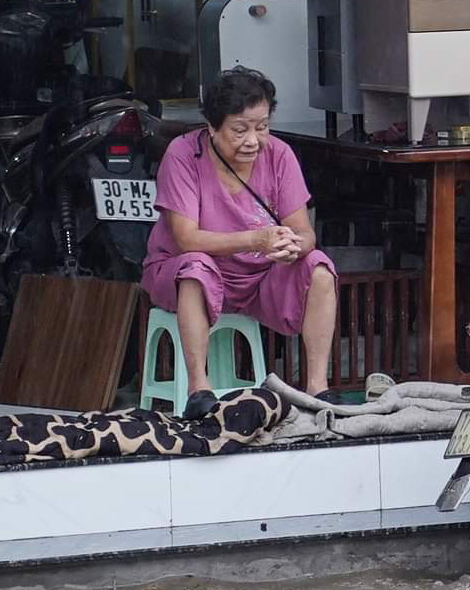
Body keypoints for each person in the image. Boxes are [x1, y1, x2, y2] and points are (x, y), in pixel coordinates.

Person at [141, 67, 338, 417]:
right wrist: (257, 239)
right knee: (195, 269)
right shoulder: (183, 155)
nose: (253, 140)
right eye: (239, 129)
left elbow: (305, 232)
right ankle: (199, 389)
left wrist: (293, 246)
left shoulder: (279, 155)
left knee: (319, 268)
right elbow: (187, 239)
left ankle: (317, 389)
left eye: (261, 127)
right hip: (185, 269)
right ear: (212, 127)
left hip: (259, 276)